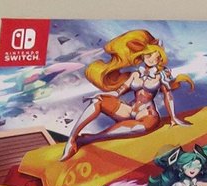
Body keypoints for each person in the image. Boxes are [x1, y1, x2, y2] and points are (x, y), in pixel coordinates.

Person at [61, 29, 192, 160]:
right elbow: (119, 92)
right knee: (97, 101)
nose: (152, 59)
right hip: (129, 111)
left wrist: (173, 117)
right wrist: (101, 95)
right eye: (149, 55)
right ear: (142, 55)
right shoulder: (135, 74)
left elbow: (168, 95)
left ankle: (89, 139)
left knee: (137, 128)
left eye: (156, 57)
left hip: (147, 115)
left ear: (160, 58)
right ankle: (71, 139)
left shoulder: (160, 77)